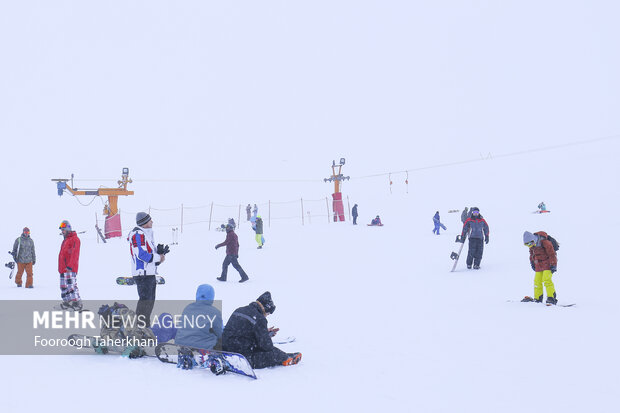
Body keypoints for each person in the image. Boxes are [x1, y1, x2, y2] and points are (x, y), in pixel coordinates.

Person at [223, 291, 301, 368]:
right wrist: (265, 336)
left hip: (225, 348)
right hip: (243, 356)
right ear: (265, 309)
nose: (267, 315)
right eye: (268, 313)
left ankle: (286, 356)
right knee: (273, 353)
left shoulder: (239, 310)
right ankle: (285, 358)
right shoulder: (259, 318)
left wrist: (264, 332)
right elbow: (267, 346)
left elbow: (240, 329)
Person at [128, 212, 168, 327]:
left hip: (149, 273)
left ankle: (144, 327)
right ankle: (139, 328)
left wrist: (159, 255)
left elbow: (149, 256)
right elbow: (141, 254)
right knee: (145, 303)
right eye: (150, 220)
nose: (152, 221)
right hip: (142, 274)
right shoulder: (137, 234)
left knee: (149, 303)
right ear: (144, 222)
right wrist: (157, 257)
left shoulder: (146, 234)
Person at [175, 284, 223, 350]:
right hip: (202, 348)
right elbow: (220, 333)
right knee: (220, 341)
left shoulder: (188, 308)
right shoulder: (215, 312)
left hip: (181, 345)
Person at [521, 231, 558, 305]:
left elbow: (552, 254)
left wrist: (553, 264)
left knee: (546, 280)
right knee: (537, 281)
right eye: (527, 244)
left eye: (530, 243)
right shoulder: (532, 246)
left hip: (548, 264)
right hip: (539, 265)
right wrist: (532, 263)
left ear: (533, 239)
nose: (529, 246)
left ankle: (551, 298)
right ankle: (538, 298)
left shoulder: (544, 242)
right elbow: (532, 255)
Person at [58, 220, 82, 310]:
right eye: (62, 230)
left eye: (63, 230)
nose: (62, 232)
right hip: (63, 268)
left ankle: (77, 303)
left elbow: (74, 254)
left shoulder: (75, 239)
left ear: (68, 229)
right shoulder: (65, 240)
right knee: (63, 287)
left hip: (70, 268)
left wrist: (70, 266)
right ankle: (67, 302)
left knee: (71, 286)